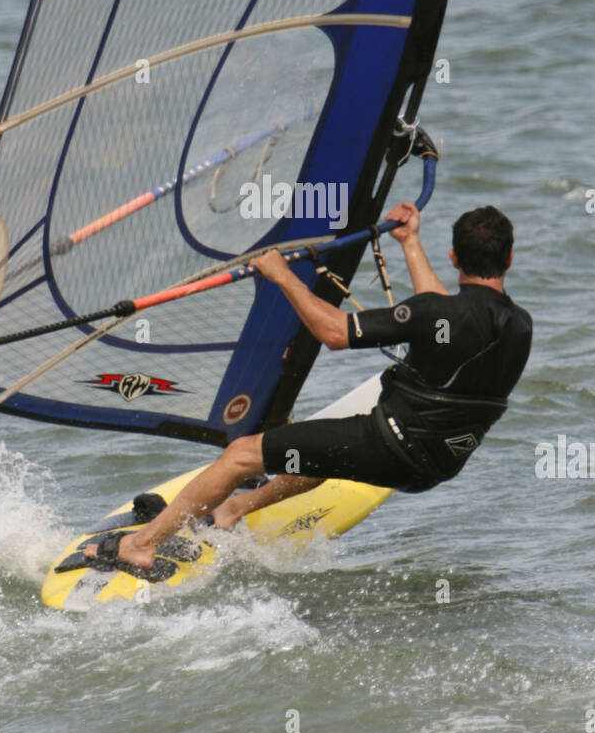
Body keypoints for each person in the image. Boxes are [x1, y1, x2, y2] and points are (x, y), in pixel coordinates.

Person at [82, 203, 532, 578]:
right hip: (439, 464)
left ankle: (140, 545)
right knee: (323, 453)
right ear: (510, 259)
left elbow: (335, 333)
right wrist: (409, 243)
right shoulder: (520, 326)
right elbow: (444, 318)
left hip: (389, 444)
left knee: (242, 454)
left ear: (453, 257)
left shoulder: (438, 312)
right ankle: (233, 510)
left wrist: (281, 275)